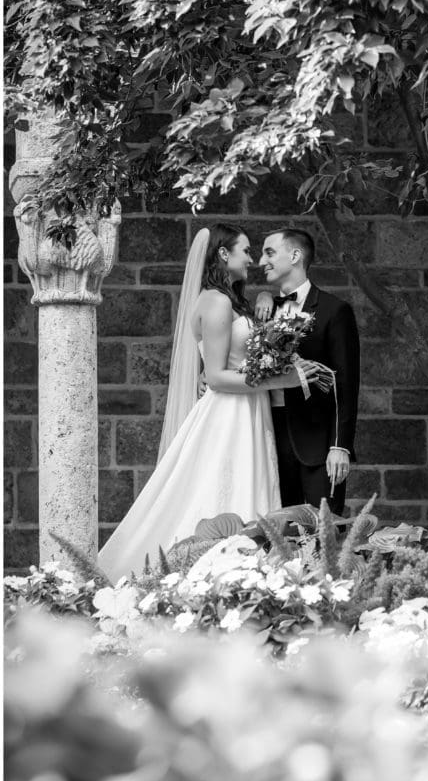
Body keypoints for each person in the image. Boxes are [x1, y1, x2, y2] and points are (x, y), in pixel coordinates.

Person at [98, 224, 322, 583]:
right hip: (228, 414)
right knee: (219, 488)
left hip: (249, 410)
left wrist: (265, 297)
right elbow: (216, 376)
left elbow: (242, 352)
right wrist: (285, 380)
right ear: (223, 254)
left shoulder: (228, 300)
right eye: (246, 251)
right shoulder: (215, 301)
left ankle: (247, 580)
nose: (252, 259)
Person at [257, 228, 361, 516]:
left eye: (269, 252)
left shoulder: (333, 310)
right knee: (279, 534)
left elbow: (346, 383)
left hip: (317, 443)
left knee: (323, 532)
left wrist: (340, 446)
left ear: (294, 255)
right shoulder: (261, 311)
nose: (260, 261)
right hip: (268, 438)